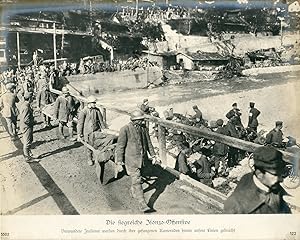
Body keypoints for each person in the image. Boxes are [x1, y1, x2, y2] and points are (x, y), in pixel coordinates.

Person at [223, 146, 291, 214]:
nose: (281, 180)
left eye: (281, 174)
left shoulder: (271, 185)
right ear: (259, 174)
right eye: (276, 175)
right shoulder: (236, 206)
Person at [115, 109, 158, 213]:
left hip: (142, 160)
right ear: (135, 120)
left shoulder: (144, 129)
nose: (143, 121)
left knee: (137, 180)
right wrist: (119, 162)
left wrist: (153, 155)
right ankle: (142, 203)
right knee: (137, 180)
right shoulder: (125, 129)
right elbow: (120, 147)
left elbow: (148, 143)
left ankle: (134, 190)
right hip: (131, 160)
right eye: (140, 119)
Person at [77, 95, 107, 166]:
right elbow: (80, 124)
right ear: (89, 103)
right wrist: (79, 134)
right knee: (88, 146)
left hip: (96, 131)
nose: (95, 104)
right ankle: (89, 158)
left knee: (97, 145)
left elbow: (101, 120)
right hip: (87, 132)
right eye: (93, 103)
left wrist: (103, 129)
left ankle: (98, 158)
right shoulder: (83, 112)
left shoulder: (96, 110)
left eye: (95, 103)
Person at [19, 92, 39, 163]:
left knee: (29, 140)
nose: (33, 99)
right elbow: (26, 120)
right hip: (27, 126)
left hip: (25, 126)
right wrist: (34, 122)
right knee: (27, 142)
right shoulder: (26, 107)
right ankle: (28, 158)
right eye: (32, 98)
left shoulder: (24, 104)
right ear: (30, 98)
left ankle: (29, 154)